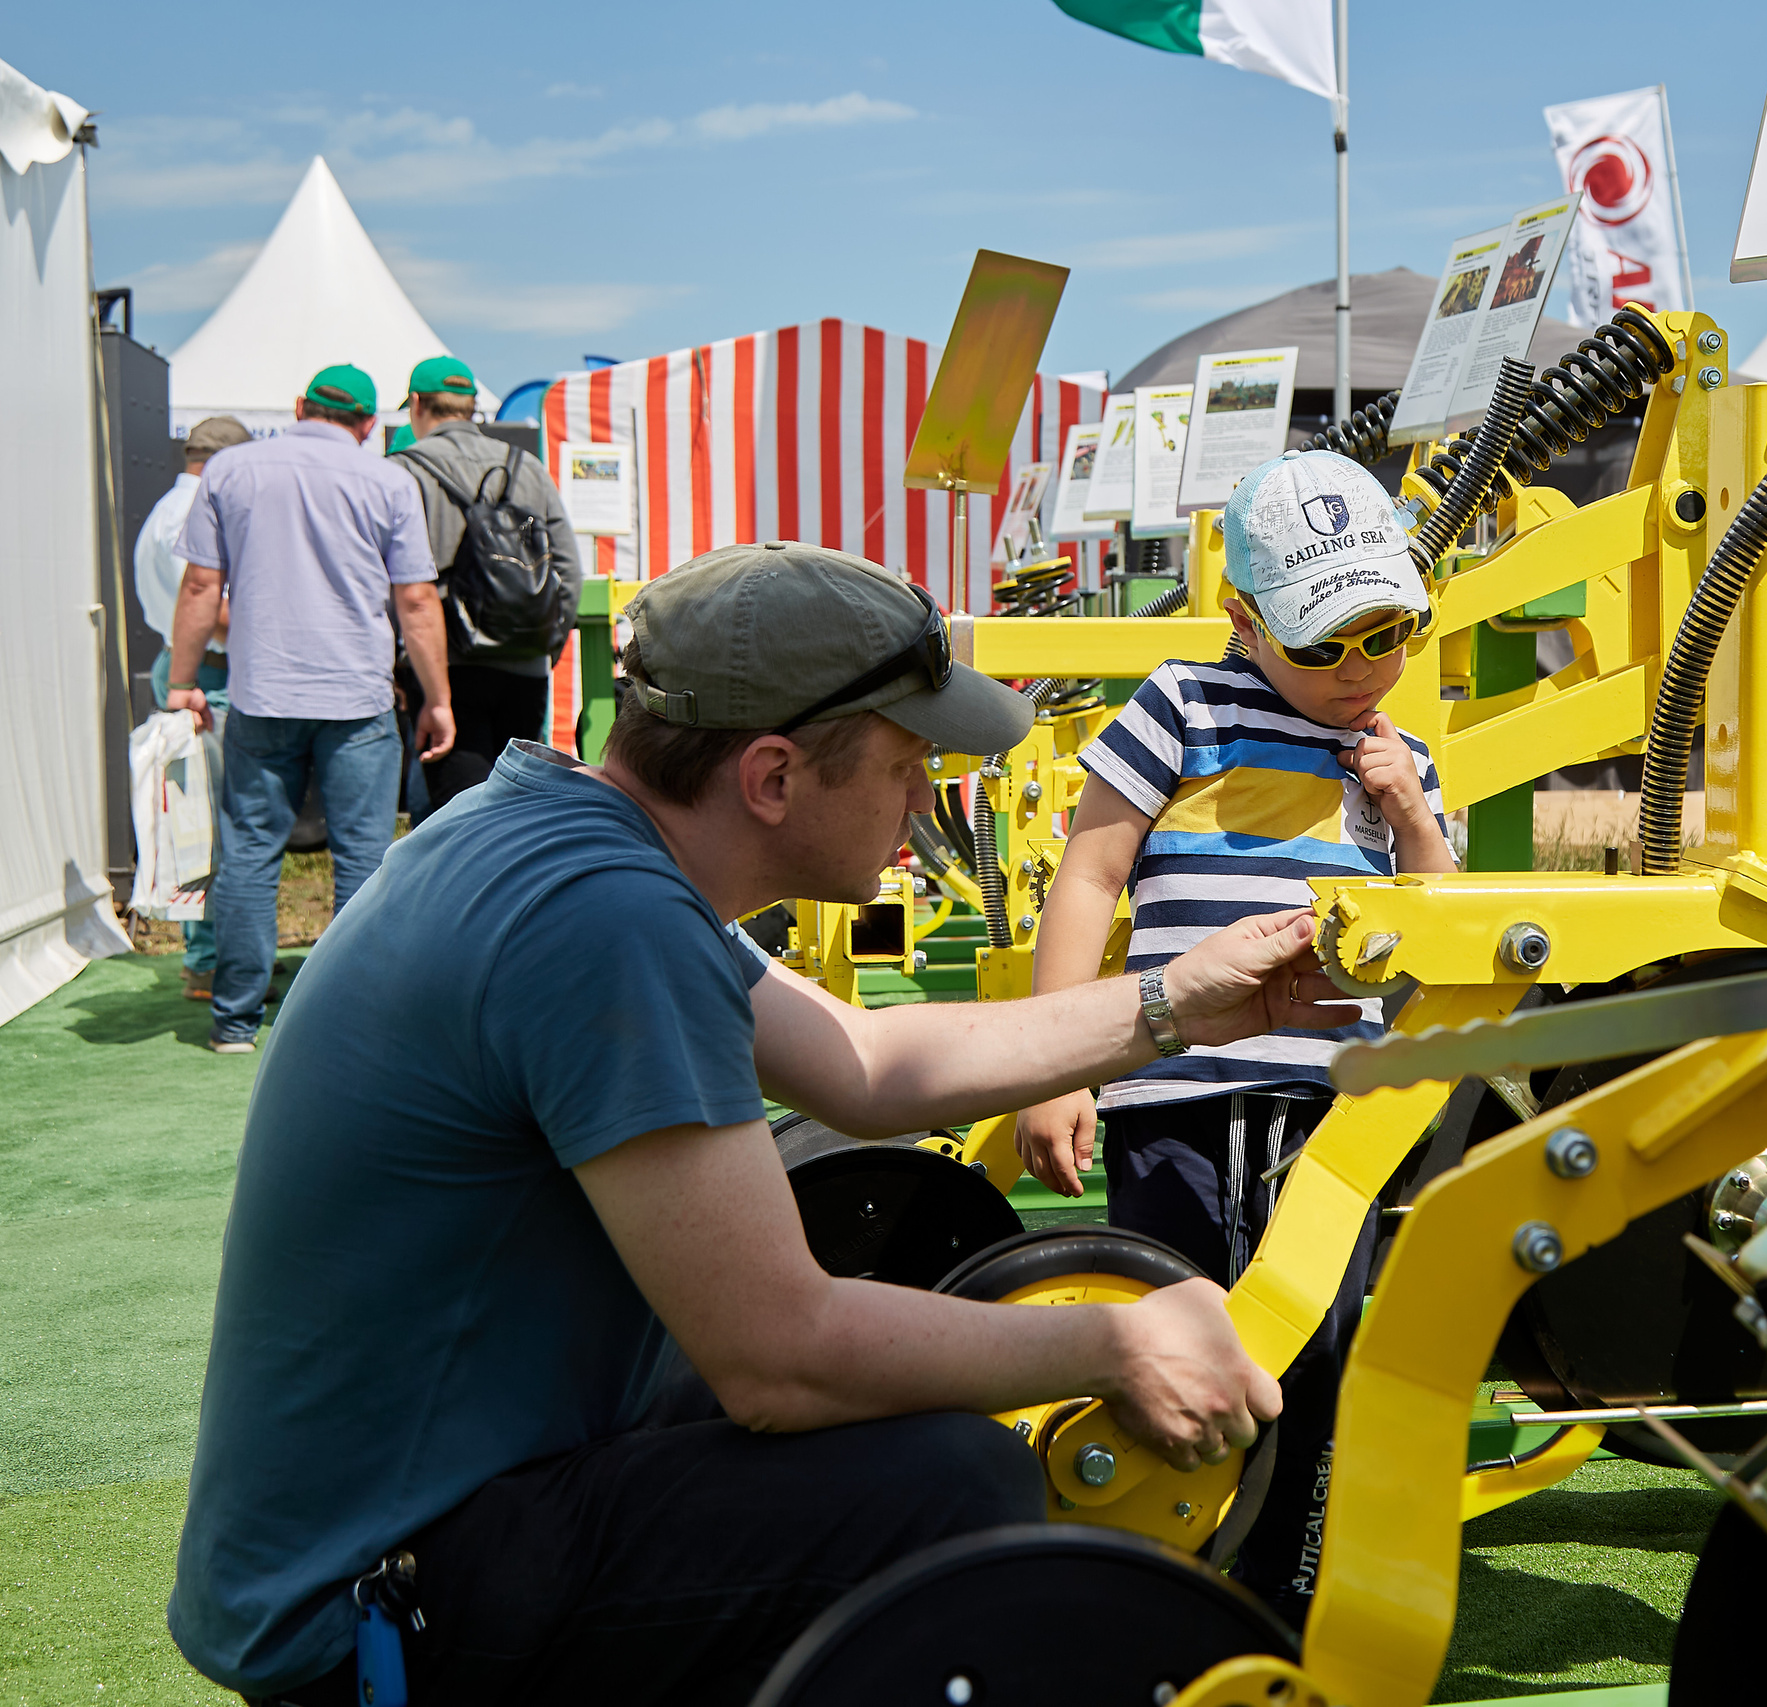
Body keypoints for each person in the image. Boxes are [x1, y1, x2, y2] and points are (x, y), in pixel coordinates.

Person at [167, 541, 1346, 1707]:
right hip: (366, 1614)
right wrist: (1114, 1341)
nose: (926, 798)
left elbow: (869, 1065)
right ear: (773, 777)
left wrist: (1176, 1002)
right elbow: (778, 1361)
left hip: (403, 1530)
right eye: (907, 762)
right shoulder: (606, 921)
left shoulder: (563, 836)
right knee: (945, 1481)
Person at [1012, 448, 1456, 1624]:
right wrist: (1056, 1063)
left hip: (1340, 1106)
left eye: (1387, 631)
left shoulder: (1398, 750)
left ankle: (1287, 1580)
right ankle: (1153, 1571)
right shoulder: (1183, 703)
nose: (1361, 667)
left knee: (1323, 1345)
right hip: (1184, 1089)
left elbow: (1442, 919)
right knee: (1173, 1326)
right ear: (1244, 621)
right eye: (1323, 643)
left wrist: (1409, 805)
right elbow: (1090, 872)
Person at [165, 364, 456, 1054]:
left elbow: (202, 583)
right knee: (362, 859)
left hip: (263, 694)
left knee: (248, 854)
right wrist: (438, 699)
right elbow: (415, 601)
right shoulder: (387, 479)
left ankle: (234, 1021)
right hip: (357, 696)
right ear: (367, 424)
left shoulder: (232, 470)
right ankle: (356, 1020)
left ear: (299, 406)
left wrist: (181, 680)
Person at [392, 355, 580, 817]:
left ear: (417, 404)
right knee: (519, 812)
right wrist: (543, 647)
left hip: (444, 668)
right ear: (473, 406)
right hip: (524, 662)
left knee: (458, 818)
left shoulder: (401, 471)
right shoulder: (526, 465)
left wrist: (400, 663)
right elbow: (569, 570)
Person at [133, 414, 252, 997]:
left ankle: (215, 953)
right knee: (215, 826)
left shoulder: (163, 509)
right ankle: (211, 961)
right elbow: (206, 604)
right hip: (206, 674)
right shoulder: (193, 513)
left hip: (184, 668)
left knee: (198, 822)